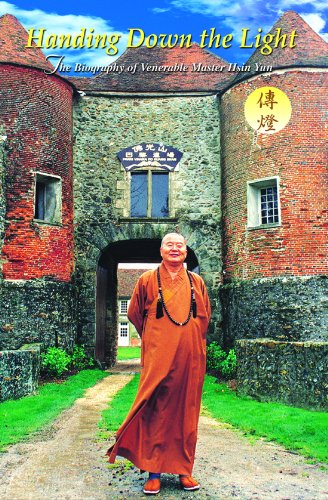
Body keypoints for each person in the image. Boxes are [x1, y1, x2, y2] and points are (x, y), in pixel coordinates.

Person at [107, 232, 211, 495]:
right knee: (155, 408)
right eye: (169, 245)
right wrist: (156, 338)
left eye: (180, 245)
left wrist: (189, 341)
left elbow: (205, 318)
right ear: (161, 250)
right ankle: (154, 472)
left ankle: (184, 471)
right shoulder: (147, 280)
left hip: (190, 358)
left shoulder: (196, 282)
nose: (175, 249)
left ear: (186, 252)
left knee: (186, 412)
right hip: (158, 357)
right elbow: (134, 313)